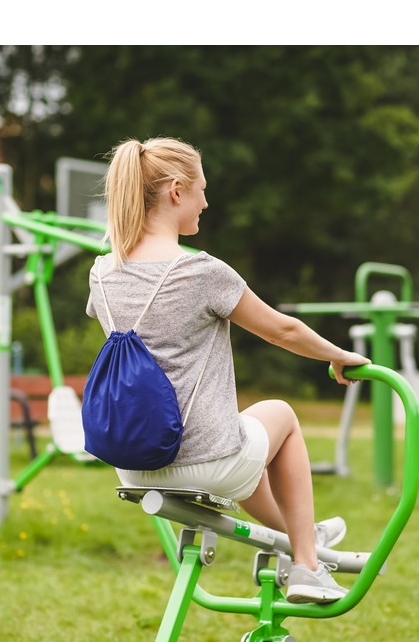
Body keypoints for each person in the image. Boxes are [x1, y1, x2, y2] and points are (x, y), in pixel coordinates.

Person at [85, 137, 370, 603]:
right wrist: (339, 355)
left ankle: (304, 534)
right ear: (176, 191)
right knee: (280, 416)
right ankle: (307, 565)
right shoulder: (202, 272)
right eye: (201, 190)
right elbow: (282, 331)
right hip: (204, 461)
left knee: (243, 440)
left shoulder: (101, 274)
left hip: (132, 467)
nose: (205, 202)